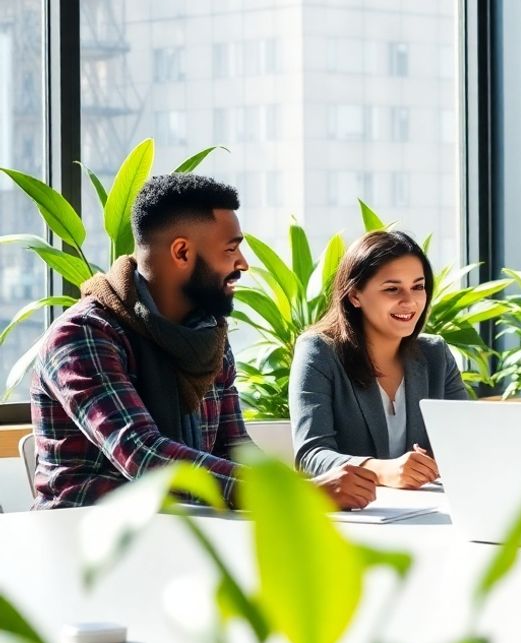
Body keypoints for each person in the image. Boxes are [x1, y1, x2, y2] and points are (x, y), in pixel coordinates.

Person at [30, 174, 377, 510]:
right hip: (84, 535)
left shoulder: (208, 334)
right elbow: (144, 455)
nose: (243, 264)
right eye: (231, 249)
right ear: (182, 252)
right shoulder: (82, 335)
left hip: (187, 528)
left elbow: (234, 448)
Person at [291, 230, 469, 488]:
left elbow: (466, 441)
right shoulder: (319, 351)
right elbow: (311, 455)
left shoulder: (436, 355)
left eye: (418, 287)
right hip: (357, 508)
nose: (409, 301)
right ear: (355, 295)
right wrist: (383, 471)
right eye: (392, 289)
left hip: (429, 505)